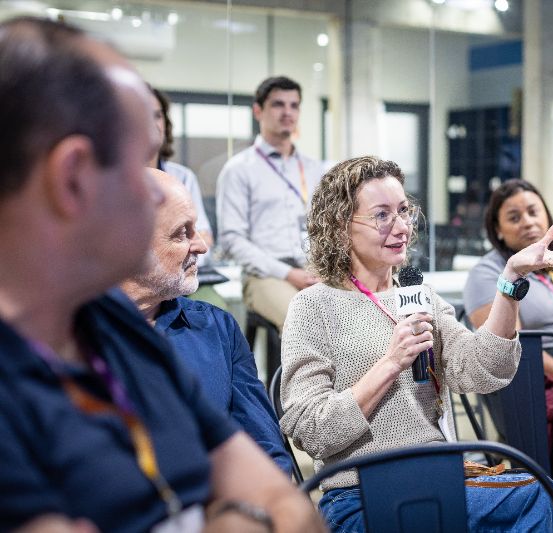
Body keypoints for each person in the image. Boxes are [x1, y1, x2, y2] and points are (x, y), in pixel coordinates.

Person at [0, 16, 323, 532]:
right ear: (73, 178)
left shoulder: (117, 325)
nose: (160, 186)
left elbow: (290, 506)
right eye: (139, 161)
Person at [279, 156, 553, 532]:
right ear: (341, 228)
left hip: (440, 479)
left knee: (545, 497)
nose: (402, 226)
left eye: (404, 211)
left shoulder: (419, 295)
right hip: (359, 494)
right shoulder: (313, 306)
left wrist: (510, 282)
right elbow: (311, 430)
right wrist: (391, 362)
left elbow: (483, 371)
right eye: (382, 215)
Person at [120, 170, 292, 476]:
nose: (201, 246)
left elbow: (266, 451)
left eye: (196, 229)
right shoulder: (62, 341)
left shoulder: (218, 329)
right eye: (182, 233)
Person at [463, 178, 553, 473]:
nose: (527, 222)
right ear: (498, 231)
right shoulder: (488, 273)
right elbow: (512, 346)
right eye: (514, 217)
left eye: (533, 211)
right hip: (527, 381)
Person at [216, 75, 326, 333]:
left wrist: (322, 269)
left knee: (356, 309)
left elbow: (327, 226)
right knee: (304, 322)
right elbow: (232, 240)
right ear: (258, 111)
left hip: (312, 268)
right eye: (278, 104)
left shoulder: (313, 169)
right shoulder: (239, 170)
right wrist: (288, 273)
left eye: (294, 105)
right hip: (265, 275)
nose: (287, 112)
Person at [149, 86, 214, 252]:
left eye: (157, 115)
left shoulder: (183, 177)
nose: (152, 124)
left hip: (179, 271)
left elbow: (203, 236)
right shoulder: (109, 181)